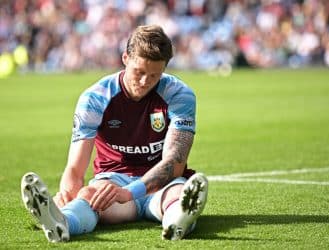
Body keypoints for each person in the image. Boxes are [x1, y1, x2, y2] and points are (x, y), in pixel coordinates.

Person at [20, 24, 208, 243]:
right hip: (113, 181)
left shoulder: (179, 94)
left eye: (155, 75)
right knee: (89, 197)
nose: (145, 81)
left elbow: (174, 162)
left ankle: (177, 223)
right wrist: (68, 196)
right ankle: (62, 222)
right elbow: (75, 167)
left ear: (165, 69)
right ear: (125, 58)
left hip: (161, 185)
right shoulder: (95, 98)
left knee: (178, 197)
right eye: (139, 72)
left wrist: (131, 192)